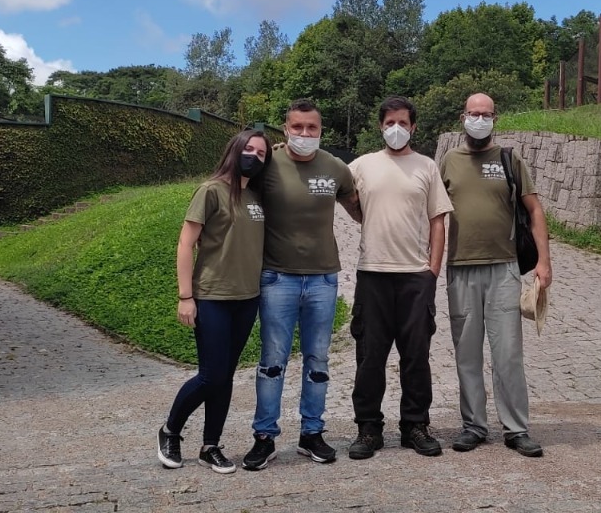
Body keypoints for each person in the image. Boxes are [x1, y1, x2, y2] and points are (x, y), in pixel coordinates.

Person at [242, 99, 361, 471]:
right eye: (298, 128)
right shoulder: (269, 164)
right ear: (285, 129)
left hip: (324, 279)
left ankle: (312, 433)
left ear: (321, 130)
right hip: (277, 278)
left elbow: (359, 208)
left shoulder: (336, 168)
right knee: (272, 360)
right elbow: (235, 192)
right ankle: (265, 437)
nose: (305, 135)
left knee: (318, 360)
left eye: (312, 128)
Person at [438, 93, 553, 458]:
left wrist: (544, 262)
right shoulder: (449, 161)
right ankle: (473, 425)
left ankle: (516, 429)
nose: (479, 119)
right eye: (474, 113)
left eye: (486, 114)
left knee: (508, 353)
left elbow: (534, 210)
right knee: (467, 353)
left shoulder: (509, 158)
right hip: (460, 268)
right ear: (463, 118)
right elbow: (433, 214)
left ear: (494, 119)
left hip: (504, 268)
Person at [157, 129, 271, 473]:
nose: (254, 155)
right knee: (211, 375)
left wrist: (278, 151)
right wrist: (185, 296)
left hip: (246, 298)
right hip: (212, 298)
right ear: (234, 150)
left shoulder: (255, 195)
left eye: (262, 153)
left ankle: (211, 445)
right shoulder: (210, 191)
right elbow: (184, 243)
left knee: (226, 375)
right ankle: (170, 430)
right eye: (248, 149)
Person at [346, 96, 453, 460]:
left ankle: (415, 425)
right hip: (373, 274)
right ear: (380, 126)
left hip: (414, 277)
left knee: (416, 356)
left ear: (413, 127)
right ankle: (368, 429)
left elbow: (438, 220)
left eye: (403, 123)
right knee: (370, 356)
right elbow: (341, 193)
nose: (396, 128)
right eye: (390, 122)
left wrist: (432, 272)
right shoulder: (361, 166)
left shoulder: (426, 167)